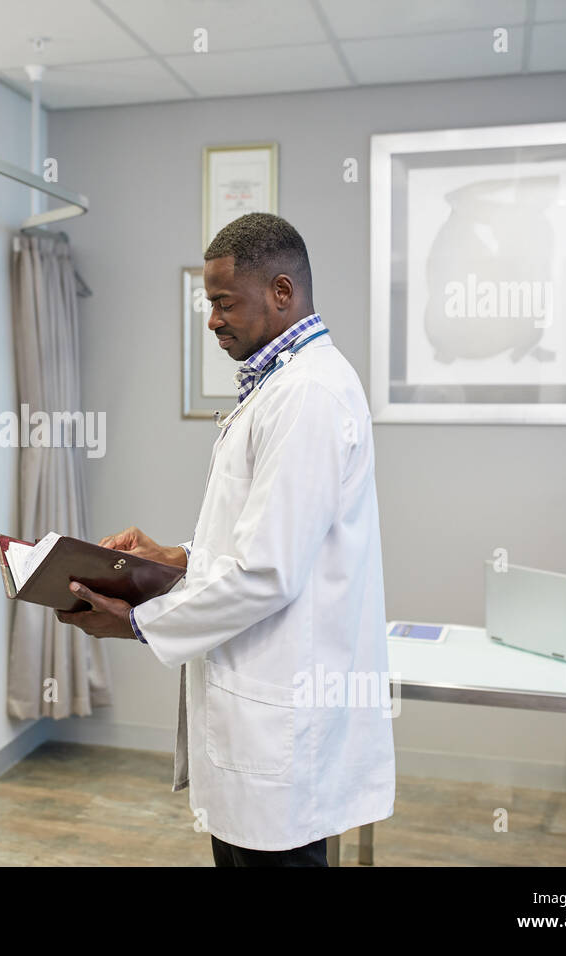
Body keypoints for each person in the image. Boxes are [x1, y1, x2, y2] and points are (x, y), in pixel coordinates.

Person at [57, 213, 395, 867]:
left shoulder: (308, 396)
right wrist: (176, 560)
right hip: (263, 715)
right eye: (209, 303)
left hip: (281, 726)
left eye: (223, 303)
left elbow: (267, 573)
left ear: (282, 292)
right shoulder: (279, 387)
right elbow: (261, 542)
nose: (212, 320)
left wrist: (140, 620)